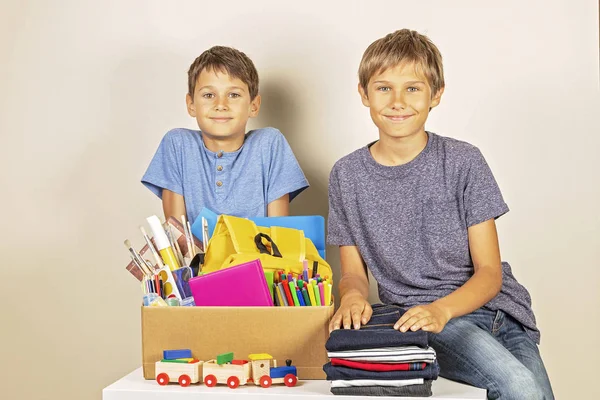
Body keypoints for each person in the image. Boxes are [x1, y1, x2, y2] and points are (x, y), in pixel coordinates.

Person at [327, 29, 554, 399]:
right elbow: (353, 272)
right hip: (426, 318)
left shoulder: (464, 161)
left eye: (413, 88)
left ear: (436, 94)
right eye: (384, 88)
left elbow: (490, 272)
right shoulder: (347, 174)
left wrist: (443, 310)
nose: (398, 101)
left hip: (498, 312)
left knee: (535, 395)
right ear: (363, 93)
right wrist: (353, 296)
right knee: (520, 388)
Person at [142, 46, 308, 223]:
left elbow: (278, 231)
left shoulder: (269, 144)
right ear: (191, 104)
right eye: (209, 95)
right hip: (195, 252)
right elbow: (178, 235)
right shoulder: (178, 144)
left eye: (234, 94)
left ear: (254, 105)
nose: (221, 104)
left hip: (258, 251)